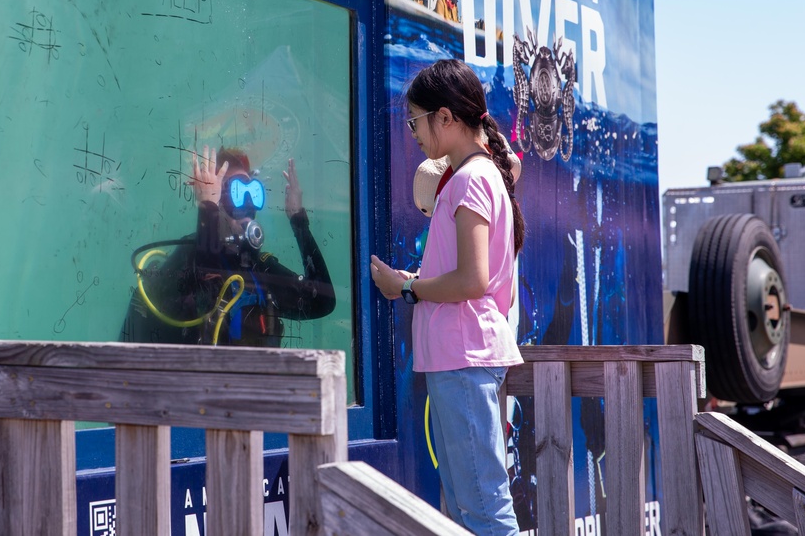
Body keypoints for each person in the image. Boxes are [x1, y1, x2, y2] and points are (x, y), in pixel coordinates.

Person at [370, 59, 524, 535]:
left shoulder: (470, 179)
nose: (413, 132)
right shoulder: (477, 175)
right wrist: (416, 278)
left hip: (464, 357)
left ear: (445, 117)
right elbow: (468, 275)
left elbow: (473, 280)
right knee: (466, 507)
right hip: (462, 357)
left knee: (482, 507)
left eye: (415, 120)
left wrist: (407, 287)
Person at [121, 145, 336, 347]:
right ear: (218, 201)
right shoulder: (191, 255)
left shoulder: (258, 269)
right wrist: (207, 209)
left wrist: (298, 222)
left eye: (253, 192)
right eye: (237, 192)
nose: (248, 202)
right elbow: (206, 295)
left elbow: (322, 302)